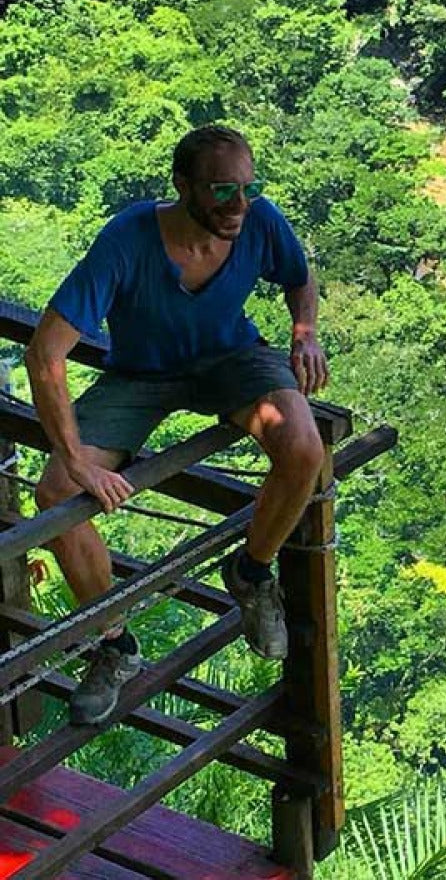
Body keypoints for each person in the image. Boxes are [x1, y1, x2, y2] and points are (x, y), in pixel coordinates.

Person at [25, 125, 328, 726]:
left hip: (230, 358)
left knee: (304, 447)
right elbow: (45, 353)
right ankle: (113, 645)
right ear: (182, 186)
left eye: (248, 188)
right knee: (57, 491)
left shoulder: (261, 222)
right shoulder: (128, 240)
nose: (240, 206)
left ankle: (251, 571)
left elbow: (299, 278)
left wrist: (304, 333)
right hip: (142, 375)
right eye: (222, 191)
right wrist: (79, 461)